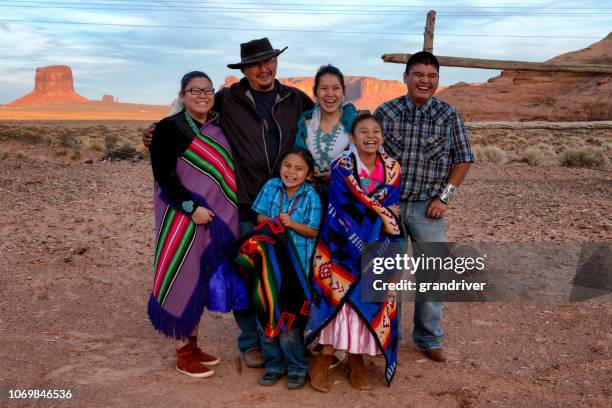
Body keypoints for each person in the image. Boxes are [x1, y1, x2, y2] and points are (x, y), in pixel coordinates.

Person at [143, 38, 314, 368]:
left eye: (268, 62)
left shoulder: (296, 99)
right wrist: (154, 131)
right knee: (247, 278)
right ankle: (251, 343)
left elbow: (326, 117)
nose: (263, 69)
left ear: (276, 64)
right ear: (244, 71)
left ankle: (292, 344)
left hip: (289, 205)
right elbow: (186, 119)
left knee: (291, 275)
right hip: (247, 205)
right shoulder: (228, 99)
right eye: (254, 65)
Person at [374, 51, 474, 363]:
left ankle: (429, 338)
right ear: (405, 77)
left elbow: (464, 158)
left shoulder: (448, 115)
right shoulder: (385, 112)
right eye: (418, 75)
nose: (425, 81)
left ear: (437, 80)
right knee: (387, 276)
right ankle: (386, 336)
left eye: (431, 76)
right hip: (388, 209)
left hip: (427, 209)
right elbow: (369, 157)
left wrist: (444, 198)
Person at [147, 71, 248, 378]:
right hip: (180, 214)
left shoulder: (218, 126)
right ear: (183, 95)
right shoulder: (169, 128)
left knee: (200, 277)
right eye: (195, 91)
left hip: (212, 216)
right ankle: (182, 352)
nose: (203, 95)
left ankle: (192, 344)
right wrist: (191, 208)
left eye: (207, 90)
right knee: (183, 273)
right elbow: (165, 176)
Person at [306, 114, 402, 392]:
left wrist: (378, 213)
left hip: (379, 247)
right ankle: (323, 357)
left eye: (376, 131)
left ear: (382, 137)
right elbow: (344, 208)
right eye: (363, 131)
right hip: (340, 245)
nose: (370, 136)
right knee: (339, 301)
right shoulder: (342, 166)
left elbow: (388, 205)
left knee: (366, 301)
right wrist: (382, 212)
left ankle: (355, 358)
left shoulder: (393, 169)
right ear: (352, 138)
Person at [238, 147, 321, 389]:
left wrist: (291, 224)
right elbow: (260, 217)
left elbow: (313, 231)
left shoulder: (311, 196)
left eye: (299, 169)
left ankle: (296, 366)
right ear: (280, 166)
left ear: (308, 174)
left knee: (289, 318)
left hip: (295, 269)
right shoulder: (271, 186)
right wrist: (274, 223)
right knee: (265, 314)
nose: (291, 172)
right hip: (267, 265)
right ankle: (273, 364)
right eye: (287, 165)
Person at [295, 64, 357, 206]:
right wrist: (309, 168)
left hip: (345, 201)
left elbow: (367, 163)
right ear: (315, 92)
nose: (330, 94)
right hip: (308, 202)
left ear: (343, 92)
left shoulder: (354, 124)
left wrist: (338, 175)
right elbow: (297, 158)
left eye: (336, 88)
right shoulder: (305, 124)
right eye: (323, 88)